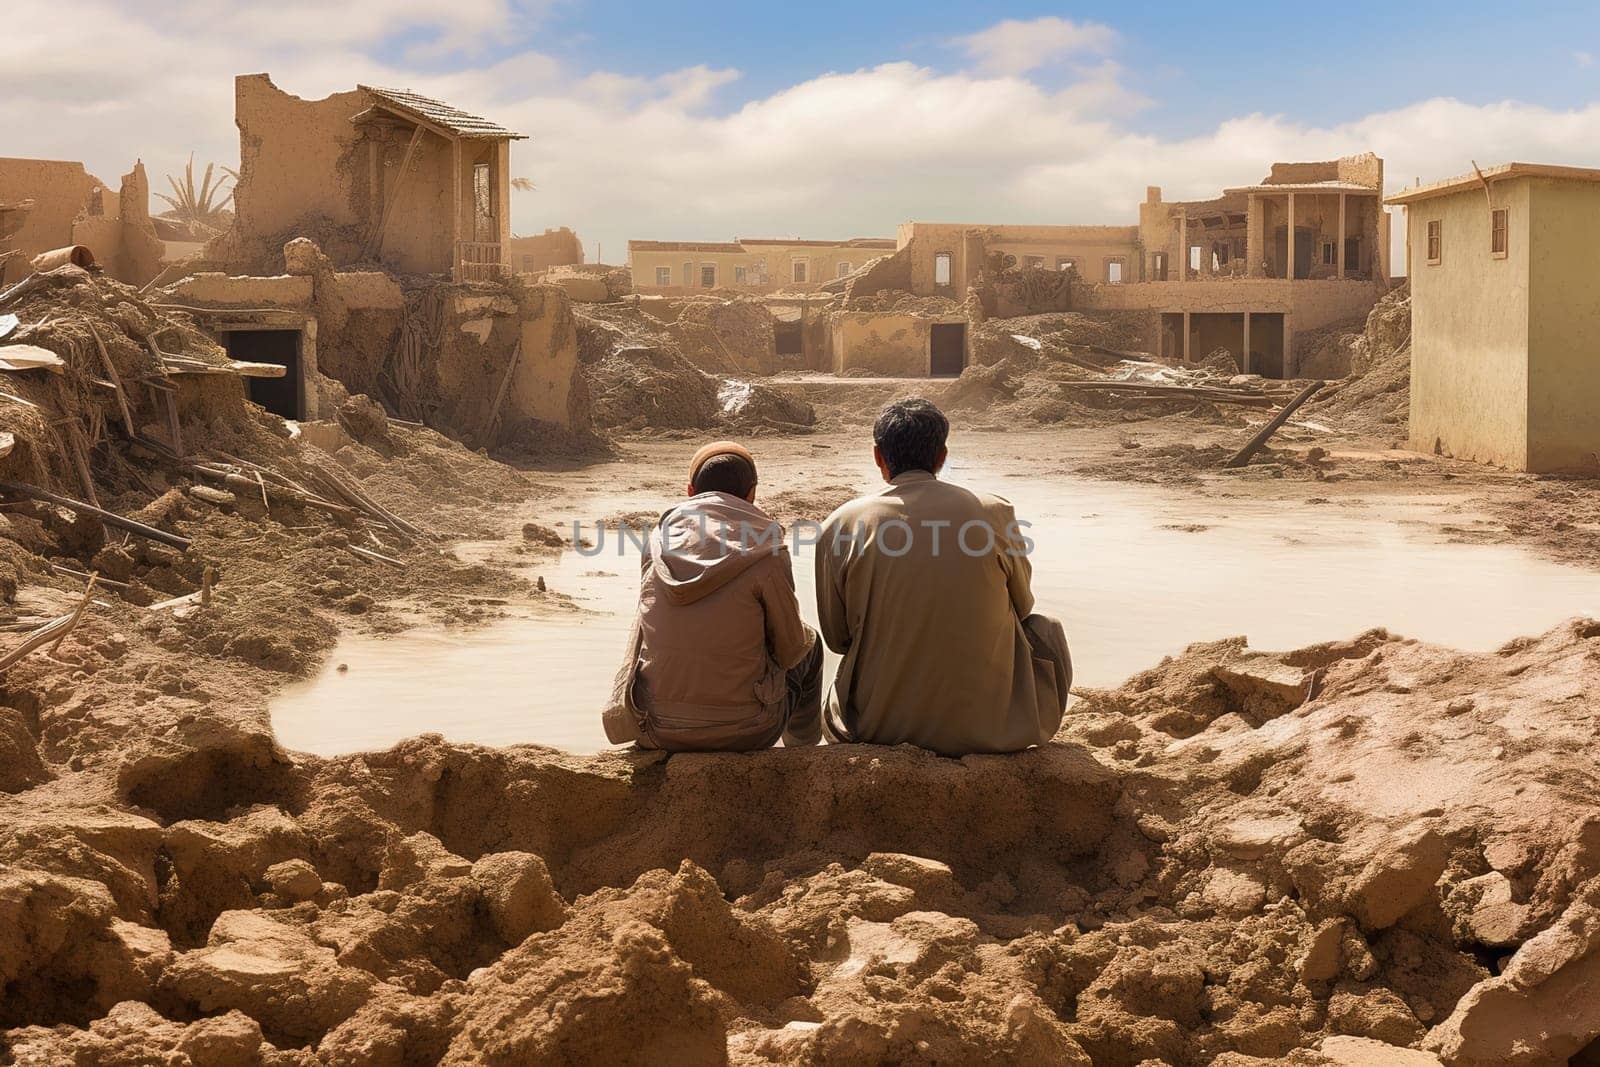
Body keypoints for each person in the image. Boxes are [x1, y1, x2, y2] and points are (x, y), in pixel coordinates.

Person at [814, 398, 1071, 756]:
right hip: (993, 732)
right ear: (942, 456)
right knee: (1048, 628)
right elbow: (1024, 606)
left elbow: (838, 639)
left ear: (878, 457)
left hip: (878, 729)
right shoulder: (994, 512)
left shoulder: (841, 524)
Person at [603, 441, 822, 751]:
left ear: (690, 491)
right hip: (748, 730)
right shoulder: (767, 550)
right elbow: (789, 651)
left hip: (655, 727)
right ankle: (803, 756)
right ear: (752, 494)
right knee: (810, 644)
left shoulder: (656, 545)